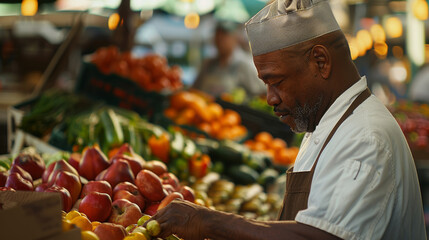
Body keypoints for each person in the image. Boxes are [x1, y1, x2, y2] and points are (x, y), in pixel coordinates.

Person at [145, 0, 427, 239]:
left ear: (321, 61)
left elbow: (321, 236)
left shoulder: (365, 137)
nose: (270, 98)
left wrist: (209, 222)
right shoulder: (327, 126)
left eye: (276, 81)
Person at [191, 20, 266, 100]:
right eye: (217, 34)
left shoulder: (243, 66)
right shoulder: (208, 64)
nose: (220, 39)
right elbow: (194, 91)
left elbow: (262, 93)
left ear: (235, 38)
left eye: (224, 35)